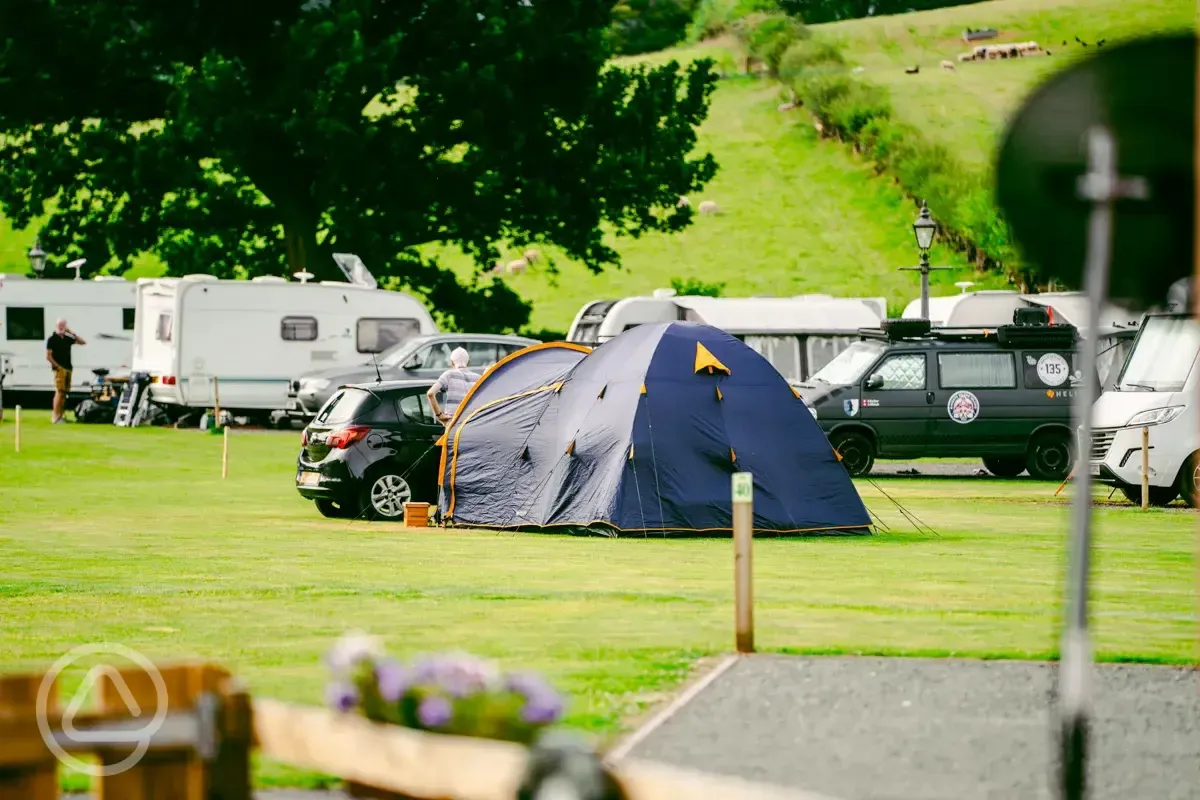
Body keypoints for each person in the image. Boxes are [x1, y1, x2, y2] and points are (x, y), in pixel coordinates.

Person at [427, 346, 481, 426]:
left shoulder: (449, 375)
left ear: (452, 363)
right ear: (468, 362)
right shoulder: (478, 378)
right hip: (472, 423)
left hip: (453, 424)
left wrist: (439, 415)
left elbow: (430, 393)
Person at [46, 318, 85, 424]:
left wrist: (71, 332)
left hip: (68, 367)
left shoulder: (67, 338)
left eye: (63, 325)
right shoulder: (52, 339)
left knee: (64, 393)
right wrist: (57, 366)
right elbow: (48, 356)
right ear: (56, 326)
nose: (61, 327)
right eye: (60, 325)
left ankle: (61, 416)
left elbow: (82, 342)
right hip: (60, 369)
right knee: (59, 391)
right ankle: (55, 416)